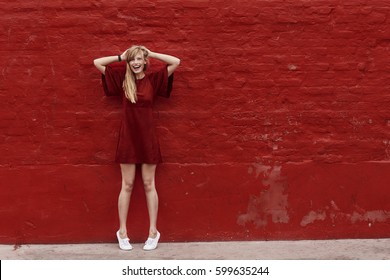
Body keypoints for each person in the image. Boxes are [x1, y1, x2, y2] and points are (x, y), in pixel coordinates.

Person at [93, 46, 180, 251]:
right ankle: (122, 232)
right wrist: (120, 57)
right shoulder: (122, 80)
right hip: (129, 138)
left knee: (149, 184)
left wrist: (153, 54)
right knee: (128, 185)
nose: (135, 63)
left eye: (139, 59)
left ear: (144, 60)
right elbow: (97, 62)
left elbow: (176, 61)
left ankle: (153, 232)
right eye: (132, 60)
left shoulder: (154, 80)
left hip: (148, 138)